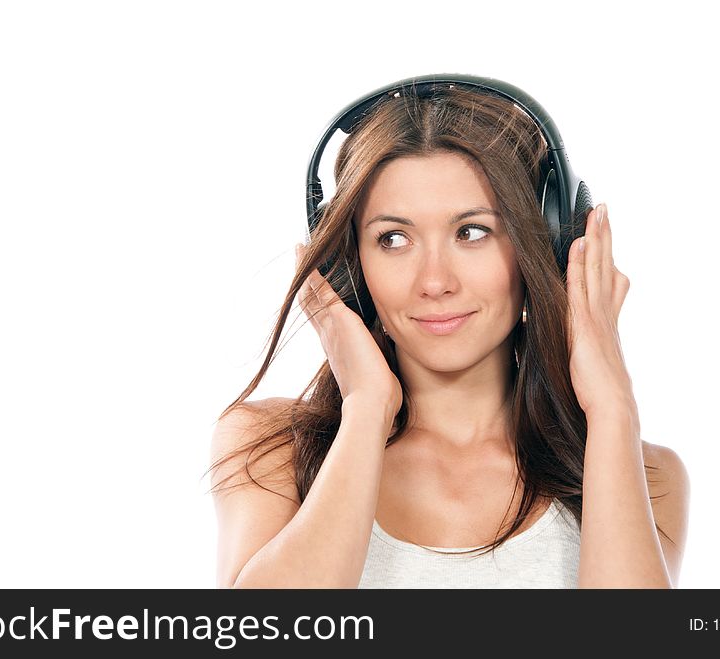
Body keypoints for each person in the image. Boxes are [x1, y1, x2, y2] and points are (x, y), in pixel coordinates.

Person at [208, 82, 689, 588]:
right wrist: (367, 409)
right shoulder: (268, 446)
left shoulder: (646, 475)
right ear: (347, 267)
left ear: (545, 244)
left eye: (472, 232)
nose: (434, 282)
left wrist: (613, 409)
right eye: (393, 239)